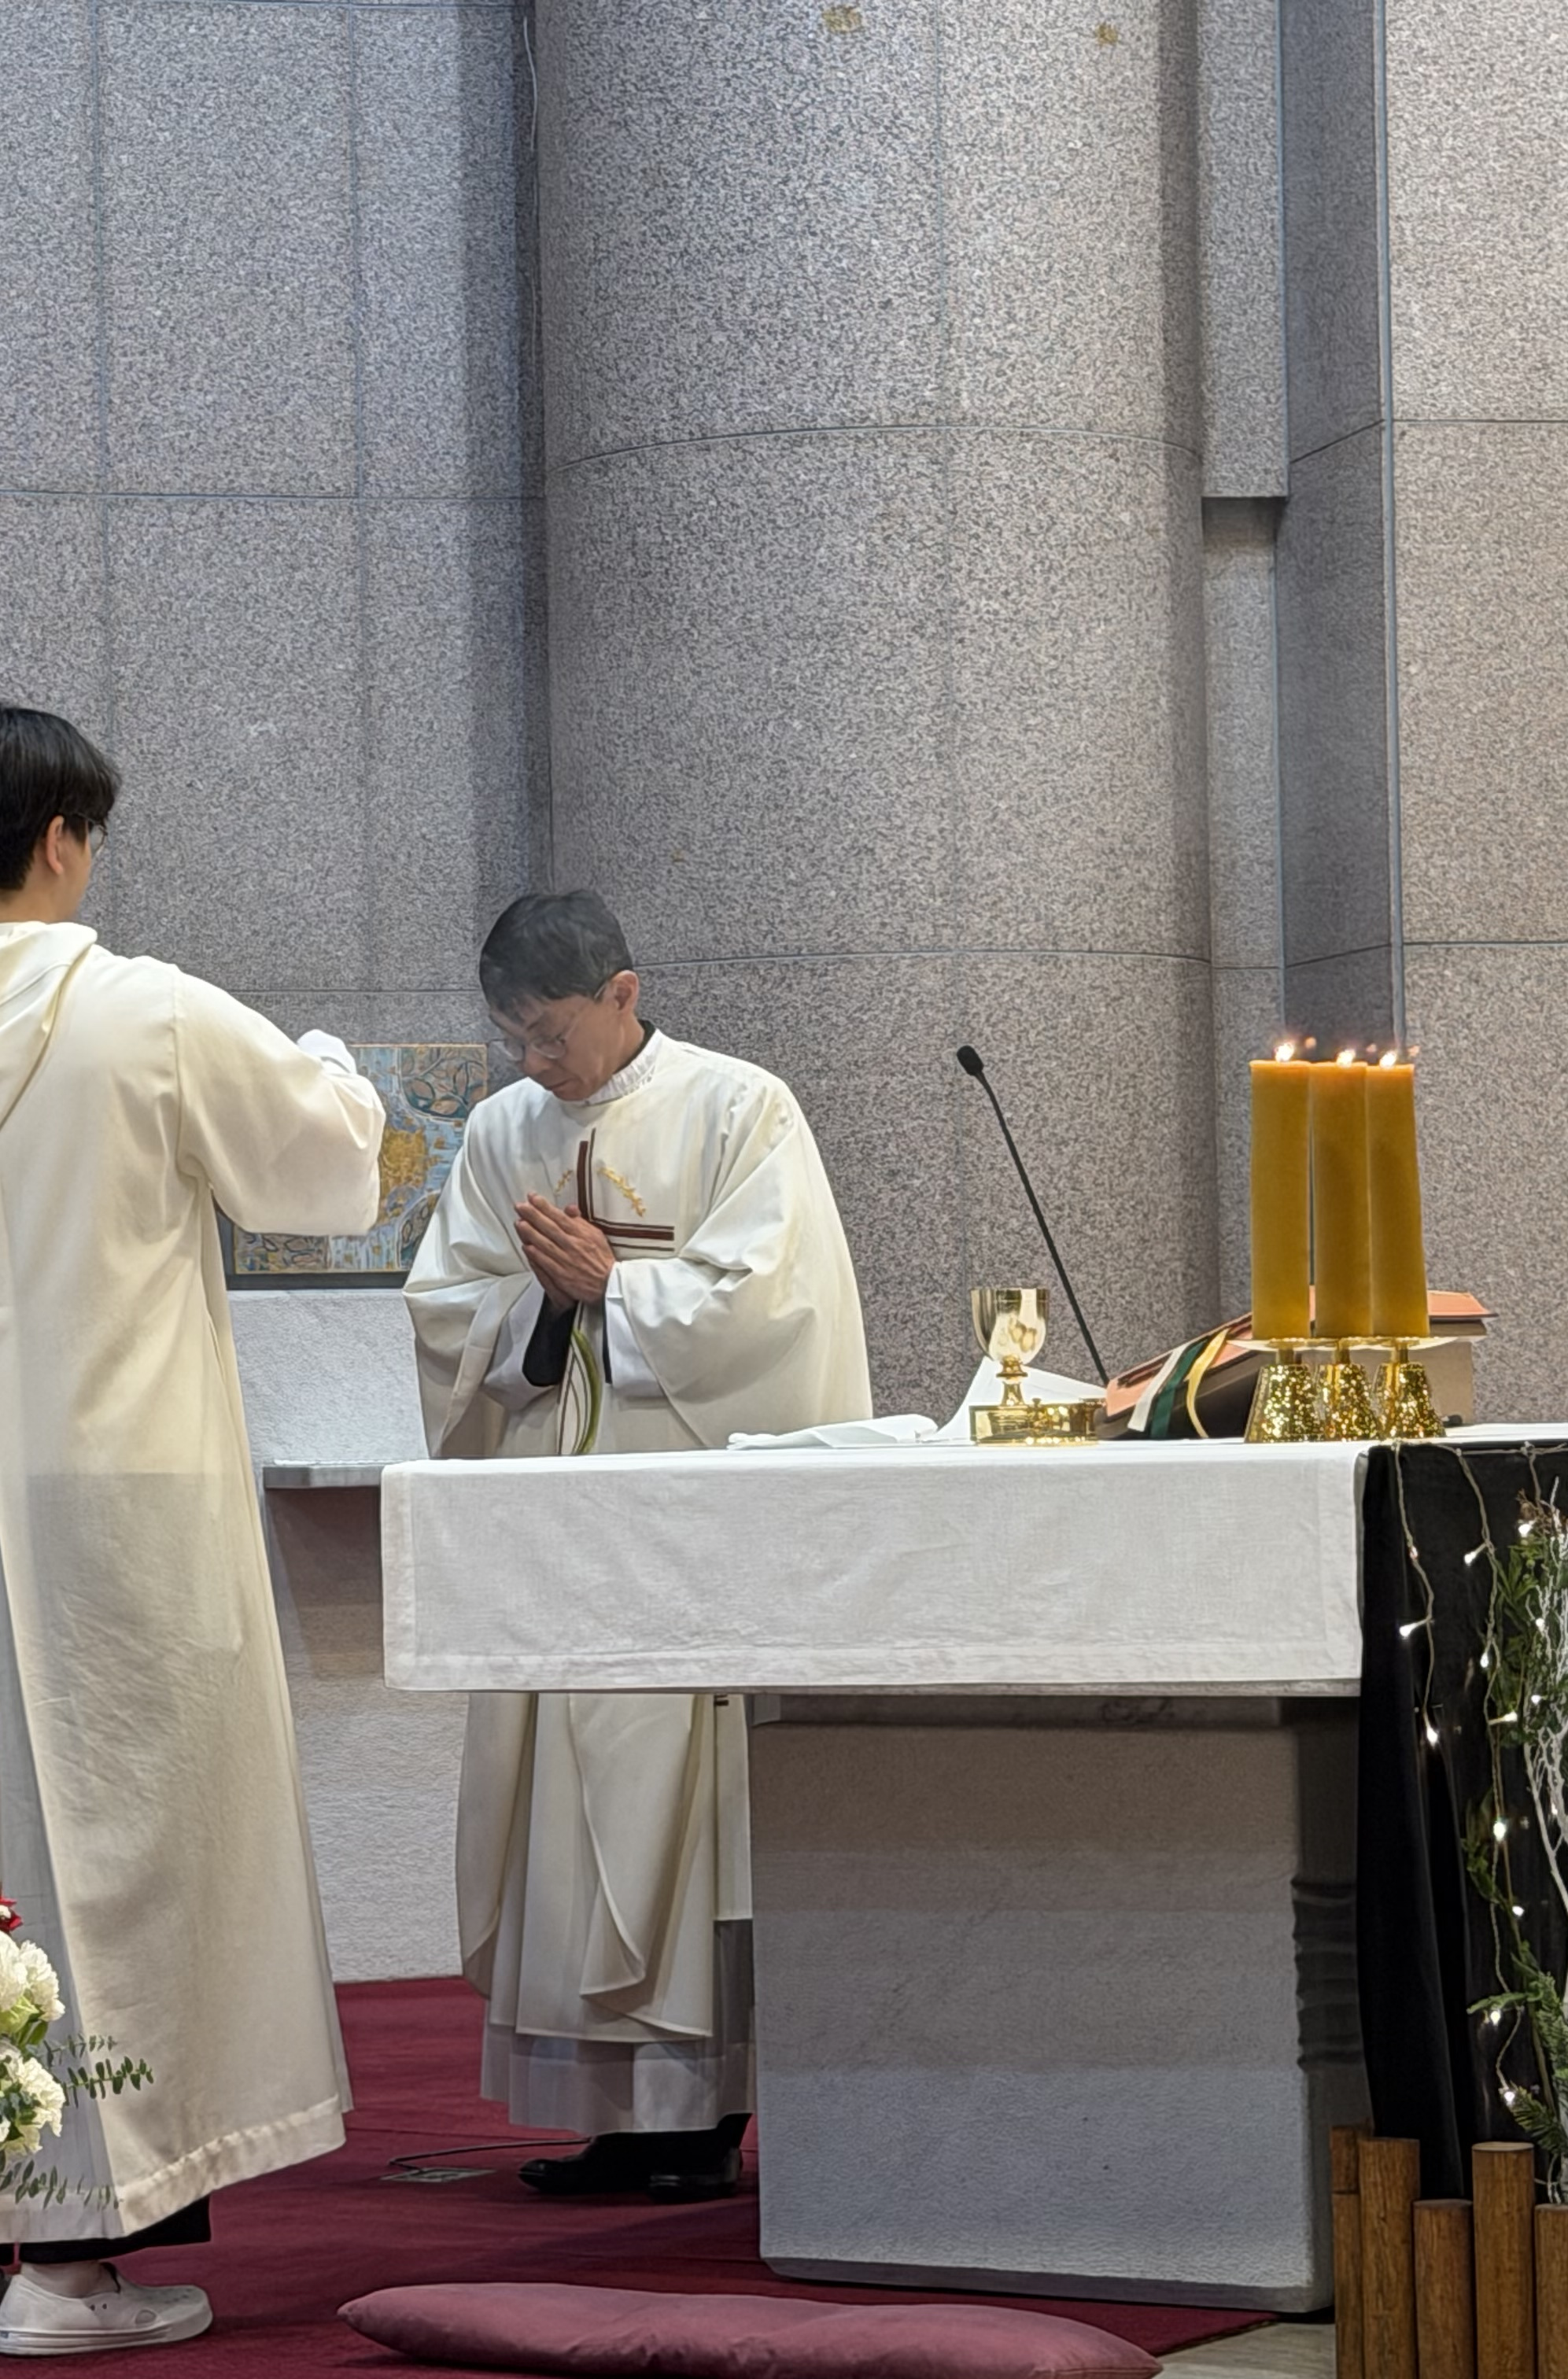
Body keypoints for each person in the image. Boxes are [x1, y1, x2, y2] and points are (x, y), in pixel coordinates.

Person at [0, 699, 384, 2356]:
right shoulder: (144, 1015)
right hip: (120, 1511)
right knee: (118, 1864)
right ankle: (75, 2270)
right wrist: (333, 1065)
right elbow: (328, 1169)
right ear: (61, 838)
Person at [403, 890, 871, 2204]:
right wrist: (543, 1309)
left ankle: (701, 2117)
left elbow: (778, 1309)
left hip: (688, 1531)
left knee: (679, 1804)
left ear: (623, 993)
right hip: (558, 1528)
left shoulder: (739, 1108)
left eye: (551, 1033)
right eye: (514, 1037)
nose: (533, 1062)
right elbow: (449, 1310)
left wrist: (619, 1286)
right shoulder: (503, 1132)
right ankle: (610, 2116)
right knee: (561, 1806)